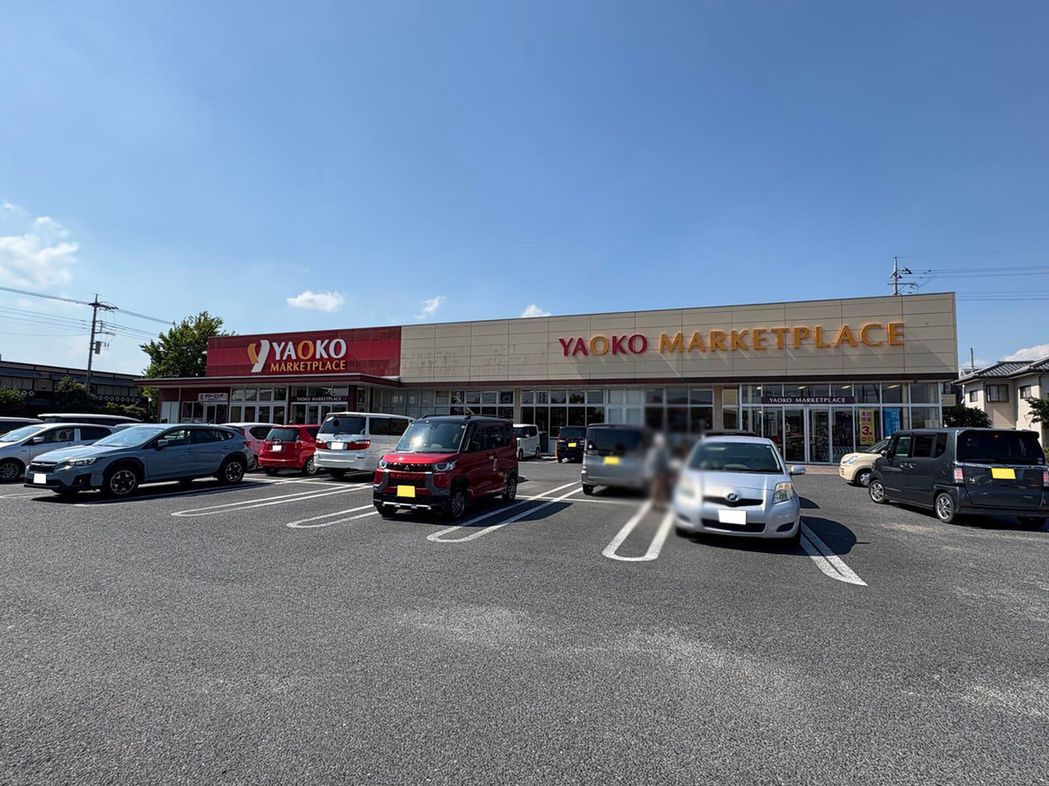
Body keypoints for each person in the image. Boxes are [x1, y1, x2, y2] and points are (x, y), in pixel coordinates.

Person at [646, 433, 670, 509]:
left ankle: (656, 502)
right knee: (659, 488)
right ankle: (658, 503)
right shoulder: (661, 451)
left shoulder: (654, 451)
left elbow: (650, 462)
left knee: (657, 487)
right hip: (659, 472)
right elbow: (664, 462)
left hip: (657, 472)